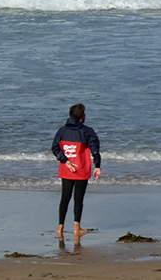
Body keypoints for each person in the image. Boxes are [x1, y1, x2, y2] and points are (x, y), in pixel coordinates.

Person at [51, 103, 101, 242]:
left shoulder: (61, 131)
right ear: (81, 118)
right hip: (81, 170)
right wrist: (97, 165)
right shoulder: (87, 131)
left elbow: (54, 148)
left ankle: (60, 227)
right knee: (78, 199)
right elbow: (95, 149)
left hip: (66, 169)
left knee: (65, 198)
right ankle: (76, 228)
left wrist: (65, 161)